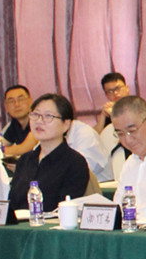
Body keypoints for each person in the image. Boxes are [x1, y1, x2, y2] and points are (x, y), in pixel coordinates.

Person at [7, 93, 94, 221]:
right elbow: (12, 202)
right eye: (35, 115)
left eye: (48, 116)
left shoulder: (75, 162)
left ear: (66, 124)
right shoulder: (25, 160)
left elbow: (65, 209)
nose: (39, 121)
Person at [0, 85, 35, 157]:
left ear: (30, 101)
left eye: (21, 99)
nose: (16, 104)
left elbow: (24, 149)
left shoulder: (38, 121)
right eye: (11, 101)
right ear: (6, 107)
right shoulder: (14, 124)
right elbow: (0, 144)